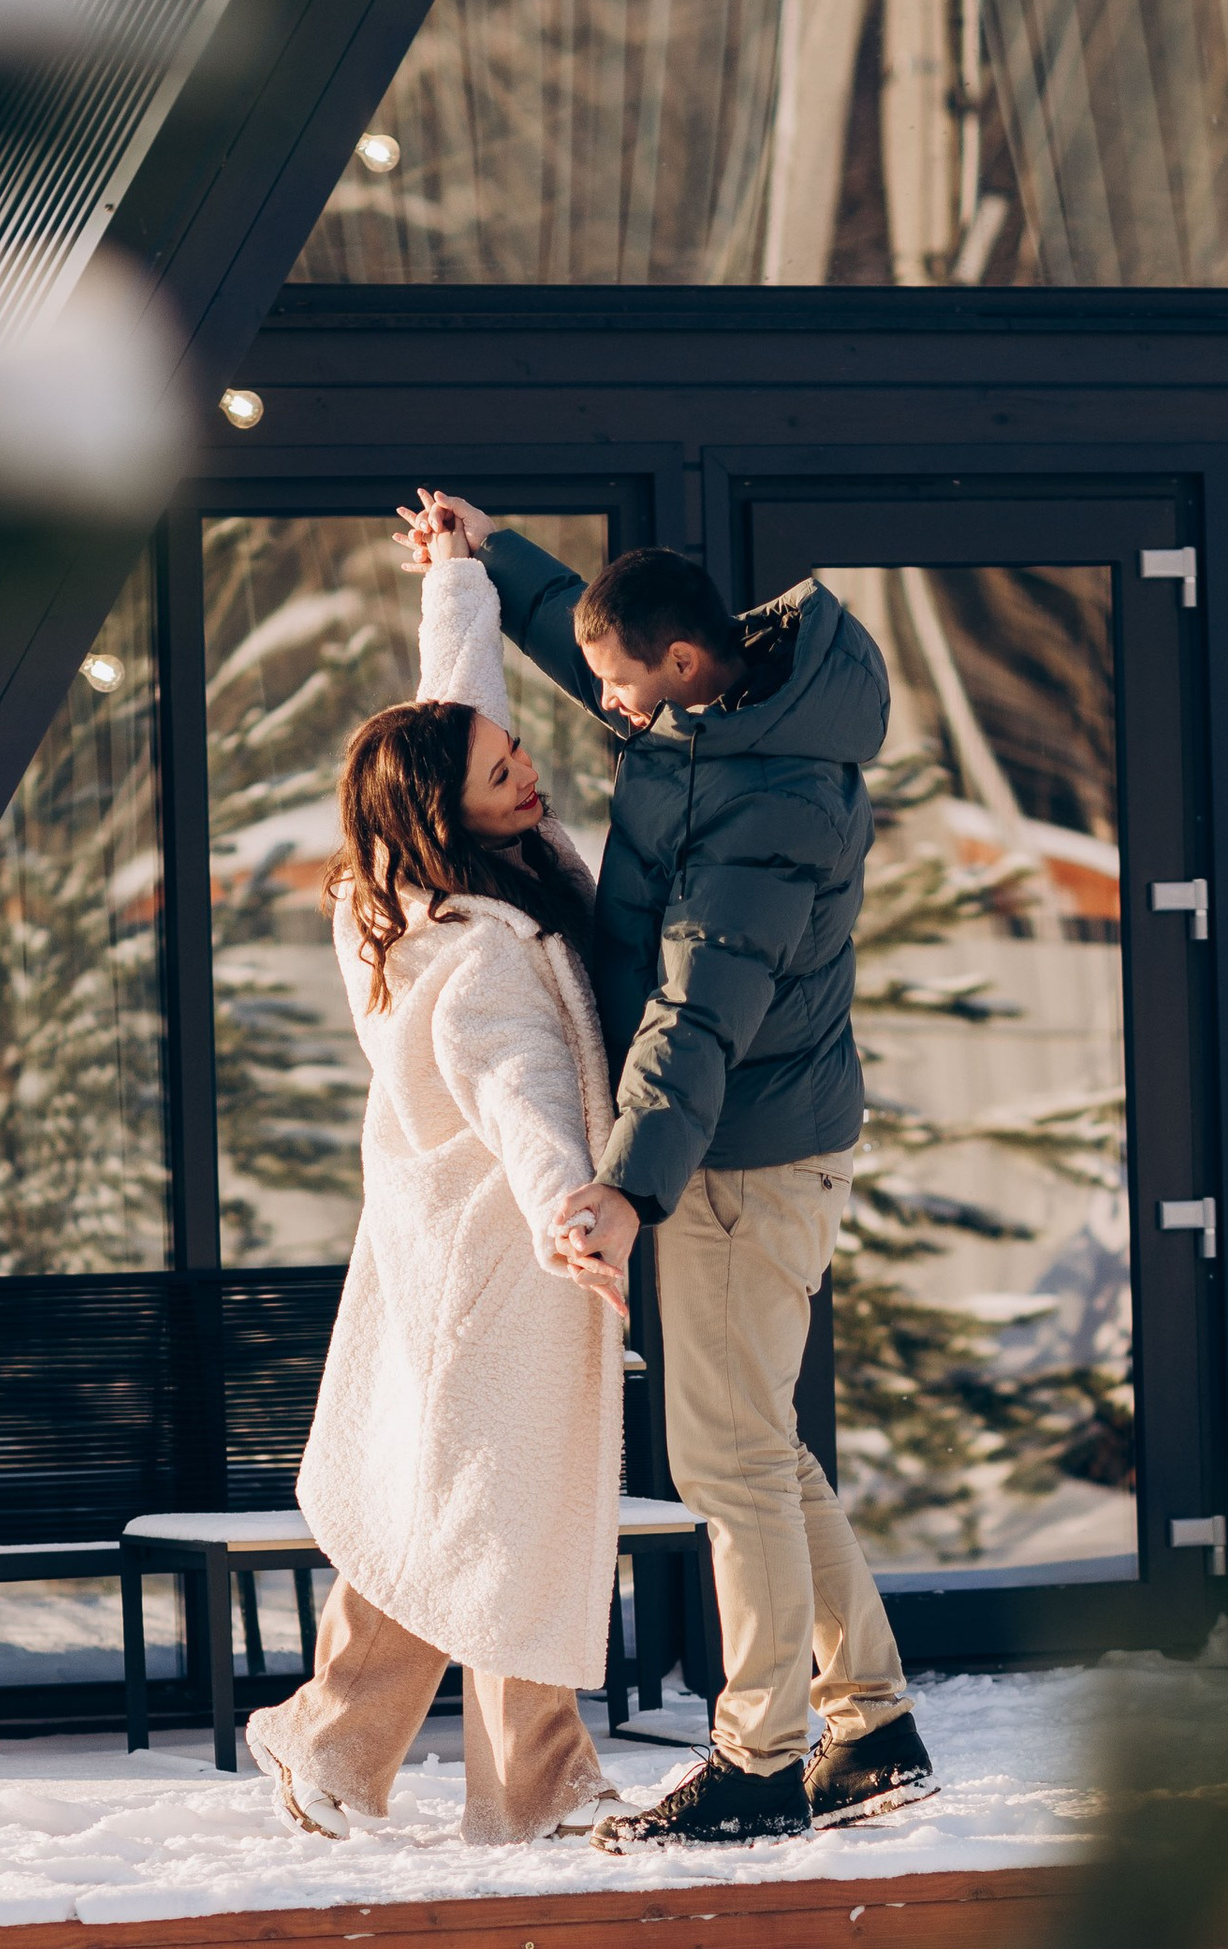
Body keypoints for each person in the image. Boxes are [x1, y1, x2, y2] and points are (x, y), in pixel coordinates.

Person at [395, 492, 939, 1849]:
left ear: (687, 668)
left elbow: (702, 1017)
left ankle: (759, 1761)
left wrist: (631, 1195)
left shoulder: (769, 807)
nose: (607, 711)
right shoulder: (719, 714)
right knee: (762, 1447)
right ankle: (868, 1721)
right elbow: (601, 640)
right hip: (736, 1149)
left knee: (732, 1469)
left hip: (739, 1162)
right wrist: (491, 558)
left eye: (624, 691)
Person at [243, 518, 630, 1847]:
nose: (526, 774)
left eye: (518, 758)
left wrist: (457, 584)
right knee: (492, 1519)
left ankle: (336, 1744)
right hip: (495, 1262)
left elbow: (459, 707)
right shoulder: (469, 950)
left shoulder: (413, 880)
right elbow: (517, 1093)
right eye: (500, 773)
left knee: (455, 1513)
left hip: (458, 1254)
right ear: (442, 811)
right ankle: (527, 1784)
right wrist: (568, 1212)